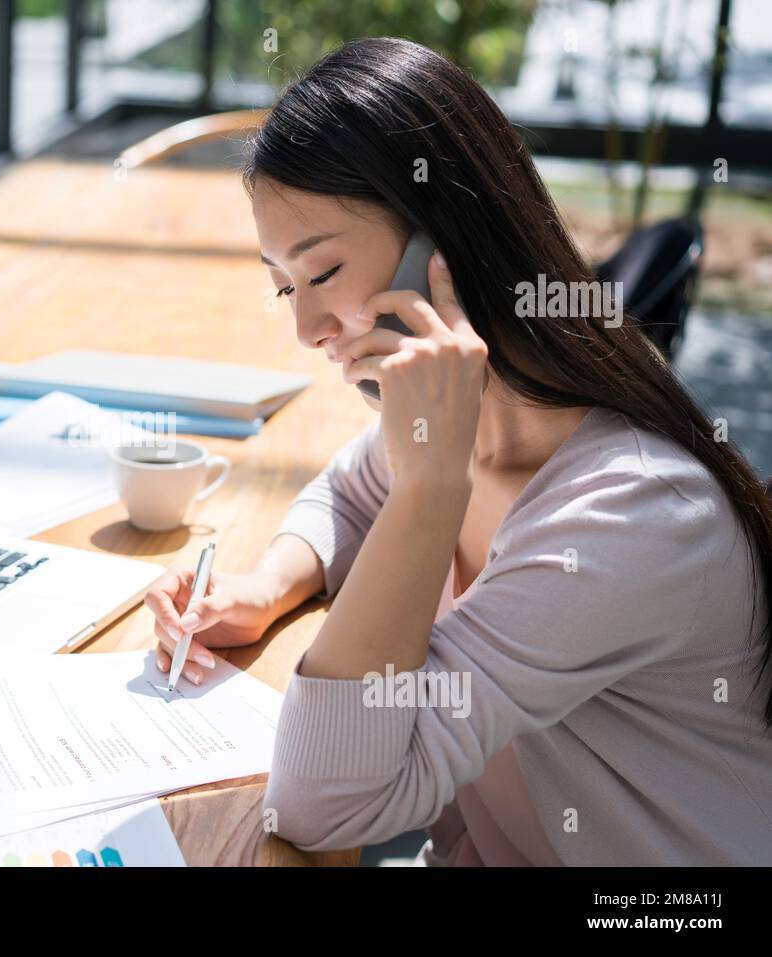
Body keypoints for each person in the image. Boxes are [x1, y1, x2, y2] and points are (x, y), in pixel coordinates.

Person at [144, 38, 772, 865]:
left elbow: (323, 806)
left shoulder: (630, 515)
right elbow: (351, 488)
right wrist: (270, 582)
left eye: (323, 271)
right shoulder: (477, 422)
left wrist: (429, 488)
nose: (305, 329)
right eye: (283, 285)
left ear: (444, 249)